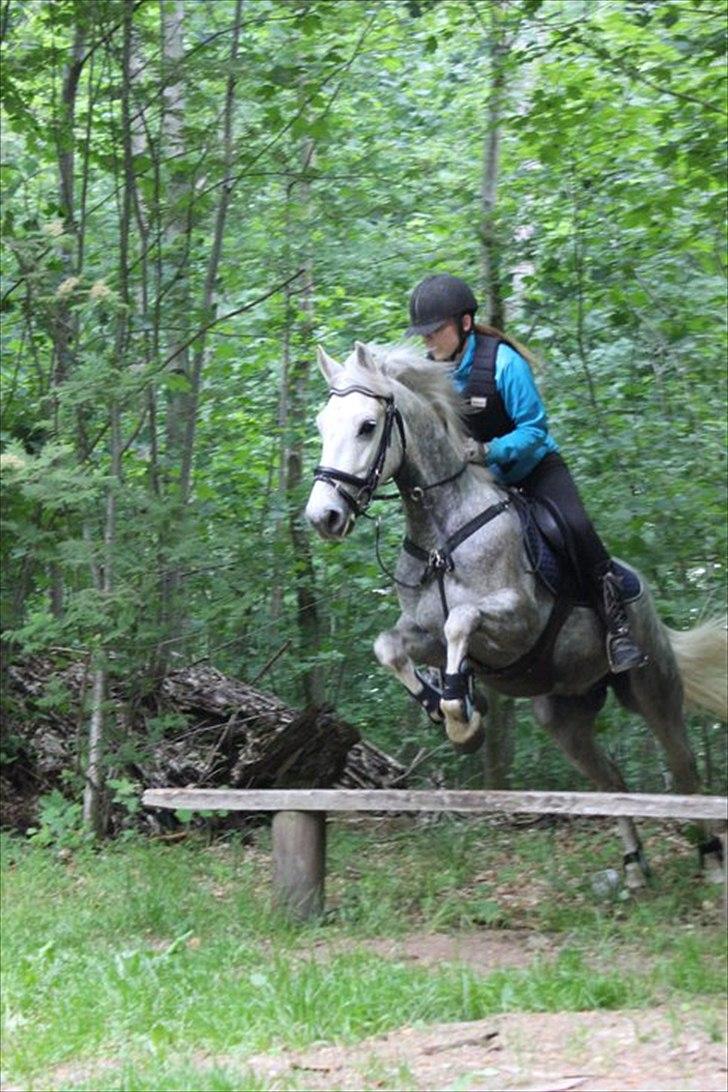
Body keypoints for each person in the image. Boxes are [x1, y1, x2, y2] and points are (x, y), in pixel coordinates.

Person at [405, 272, 647, 674]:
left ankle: (617, 629)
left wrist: (487, 450)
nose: (426, 340)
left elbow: (534, 430)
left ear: (465, 323)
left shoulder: (503, 362)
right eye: (422, 333)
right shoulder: (427, 374)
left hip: (533, 470)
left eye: (434, 330)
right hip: (474, 487)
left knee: (577, 526)